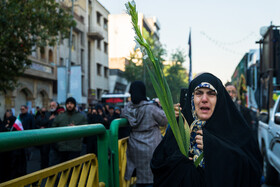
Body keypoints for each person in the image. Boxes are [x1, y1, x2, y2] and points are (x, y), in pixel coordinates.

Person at [151, 73, 262, 187]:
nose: (204, 99)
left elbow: (252, 170)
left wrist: (215, 148)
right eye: (199, 93)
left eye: (211, 94)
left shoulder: (235, 129)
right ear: (191, 98)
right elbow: (158, 165)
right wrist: (180, 162)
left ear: (219, 99)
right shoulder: (180, 128)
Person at [122, 81, 168, 187]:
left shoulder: (127, 108)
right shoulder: (150, 108)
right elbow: (164, 120)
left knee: (140, 175)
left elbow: (123, 114)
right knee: (152, 174)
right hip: (152, 144)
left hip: (134, 144)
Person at [51, 97, 87, 163]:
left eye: (71, 103)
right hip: (62, 148)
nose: (69, 105)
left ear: (74, 105)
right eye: (68, 103)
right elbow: (53, 129)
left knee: (75, 169)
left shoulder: (81, 117)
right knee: (63, 170)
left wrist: (76, 128)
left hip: (75, 147)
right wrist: (57, 144)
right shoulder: (60, 117)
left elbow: (85, 130)